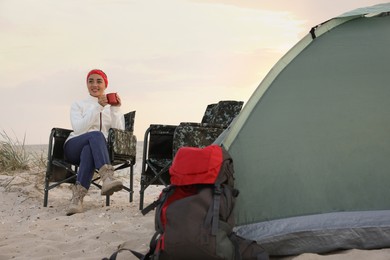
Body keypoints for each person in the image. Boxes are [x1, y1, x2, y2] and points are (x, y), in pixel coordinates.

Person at [64, 69, 125, 216]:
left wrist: (115, 109)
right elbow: (78, 129)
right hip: (73, 146)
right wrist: (98, 107)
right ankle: (107, 178)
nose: (94, 85)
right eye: (90, 81)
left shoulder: (110, 108)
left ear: (105, 84)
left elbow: (119, 134)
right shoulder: (78, 104)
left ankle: (77, 200)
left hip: (94, 151)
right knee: (95, 135)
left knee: (89, 150)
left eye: (99, 81)